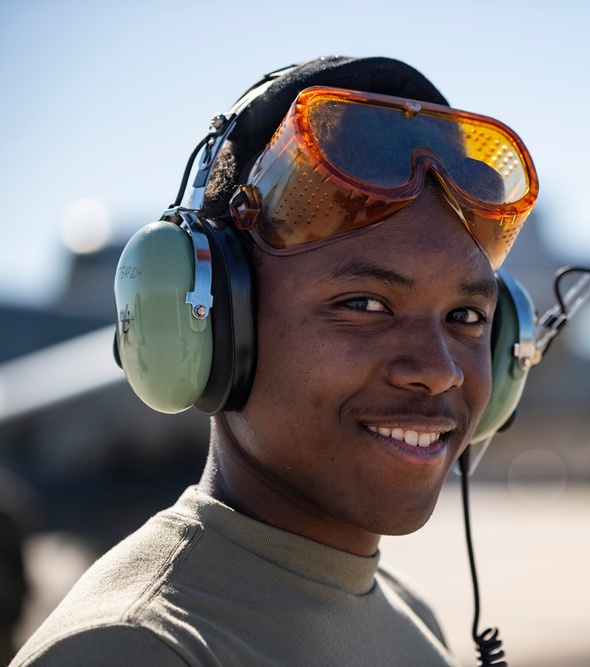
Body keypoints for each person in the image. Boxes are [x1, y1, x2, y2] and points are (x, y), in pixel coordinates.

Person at [12, 55, 539, 666]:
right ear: (211, 325)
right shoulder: (139, 648)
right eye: (364, 304)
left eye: (467, 317)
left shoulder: (405, 612)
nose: (439, 368)